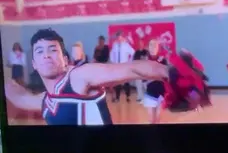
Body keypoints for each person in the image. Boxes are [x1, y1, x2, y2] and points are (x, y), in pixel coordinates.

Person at [4, 28, 167, 126]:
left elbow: (133, 69)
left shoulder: (79, 76)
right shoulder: (45, 100)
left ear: (65, 60)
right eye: (40, 51)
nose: (46, 55)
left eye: (52, 50)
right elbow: (19, 97)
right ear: (34, 64)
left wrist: (171, 73)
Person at [164, 49, 211, 113]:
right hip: (181, 91)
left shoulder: (191, 69)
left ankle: (197, 104)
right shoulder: (174, 70)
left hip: (187, 91)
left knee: (196, 93)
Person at [143, 39, 168, 124]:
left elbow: (166, 76)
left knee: (158, 118)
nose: (153, 48)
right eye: (151, 45)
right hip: (150, 92)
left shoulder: (163, 60)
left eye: (155, 46)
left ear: (158, 48)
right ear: (148, 47)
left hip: (161, 93)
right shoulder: (145, 61)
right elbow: (143, 77)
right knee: (151, 119)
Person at [110, 30, 134, 103]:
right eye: (118, 37)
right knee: (118, 82)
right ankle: (117, 97)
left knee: (126, 82)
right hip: (117, 66)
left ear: (122, 37)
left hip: (124, 66)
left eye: (120, 37)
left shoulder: (126, 45)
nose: (119, 39)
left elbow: (133, 52)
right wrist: (113, 62)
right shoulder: (115, 45)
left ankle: (128, 96)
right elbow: (112, 53)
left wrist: (129, 62)